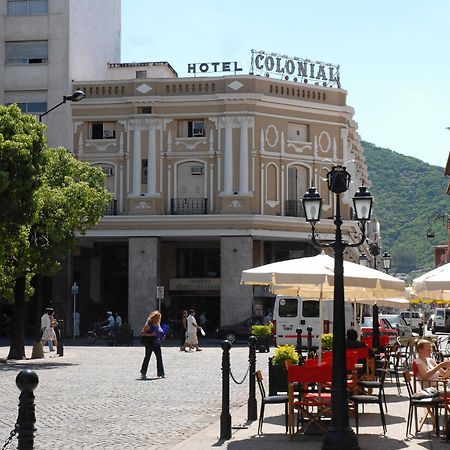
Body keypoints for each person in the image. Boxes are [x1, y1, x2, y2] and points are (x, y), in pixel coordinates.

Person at [140, 310, 165, 379]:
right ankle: (143, 372)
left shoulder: (158, 324)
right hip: (150, 343)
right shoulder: (148, 325)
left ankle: (161, 373)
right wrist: (150, 334)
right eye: (157, 318)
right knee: (147, 357)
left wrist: (162, 336)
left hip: (157, 343)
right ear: (153, 318)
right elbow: (142, 333)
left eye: (159, 318)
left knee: (159, 358)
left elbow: (159, 332)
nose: (158, 319)